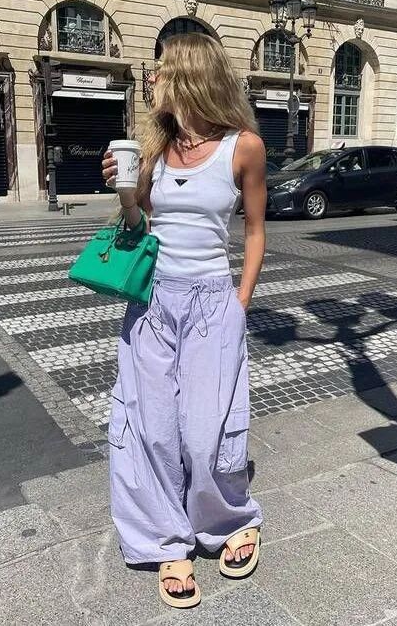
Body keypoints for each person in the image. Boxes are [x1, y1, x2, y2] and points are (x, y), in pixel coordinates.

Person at [101, 33, 266, 609]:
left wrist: (240, 302)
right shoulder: (153, 148)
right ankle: (168, 539)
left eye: (160, 70)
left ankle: (228, 519)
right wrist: (126, 193)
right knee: (152, 428)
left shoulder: (243, 147)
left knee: (204, 431)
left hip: (212, 301)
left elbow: (255, 230)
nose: (151, 79)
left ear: (189, 75)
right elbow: (138, 229)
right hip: (152, 301)